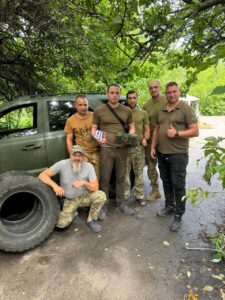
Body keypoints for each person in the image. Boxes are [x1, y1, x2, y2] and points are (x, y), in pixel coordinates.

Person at [150, 82, 199, 231]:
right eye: (169, 92)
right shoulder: (162, 110)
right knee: (166, 182)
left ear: (178, 91)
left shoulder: (184, 108)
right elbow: (157, 130)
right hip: (162, 153)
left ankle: (178, 215)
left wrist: (177, 133)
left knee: (178, 185)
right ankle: (169, 206)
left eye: (174, 91)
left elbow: (195, 131)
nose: (171, 94)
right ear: (165, 93)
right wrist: (153, 146)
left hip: (178, 155)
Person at [38, 145, 106, 233]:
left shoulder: (89, 166)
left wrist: (84, 182)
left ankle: (91, 219)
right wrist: (55, 186)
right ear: (70, 155)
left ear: (83, 157)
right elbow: (42, 175)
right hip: (70, 199)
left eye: (80, 156)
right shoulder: (62, 164)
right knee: (61, 224)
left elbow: (95, 187)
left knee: (101, 196)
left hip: (84, 196)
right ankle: (74, 213)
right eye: (75, 155)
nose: (77, 158)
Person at [91, 83, 135, 218]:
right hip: (106, 149)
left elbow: (132, 127)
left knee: (121, 177)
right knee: (105, 178)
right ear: (107, 93)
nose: (114, 95)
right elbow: (93, 129)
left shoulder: (127, 111)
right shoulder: (99, 110)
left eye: (117, 93)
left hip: (122, 149)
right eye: (112, 92)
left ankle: (120, 204)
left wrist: (131, 135)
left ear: (119, 94)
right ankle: (103, 206)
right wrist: (99, 138)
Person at [64, 95, 100, 180]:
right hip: (83, 154)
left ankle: (97, 193)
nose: (83, 107)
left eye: (85, 105)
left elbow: (101, 131)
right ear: (75, 105)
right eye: (80, 105)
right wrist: (72, 155)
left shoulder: (94, 116)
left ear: (88, 105)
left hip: (96, 153)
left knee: (96, 180)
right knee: (84, 179)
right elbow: (69, 140)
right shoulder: (70, 120)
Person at [124, 90, 150, 206]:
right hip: (124, 148)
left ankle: (139, 196)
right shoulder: (122, 112)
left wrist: (145, 138)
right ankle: (125, 197)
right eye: (130, 98)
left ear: (137, 99)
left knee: (138, 173)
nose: (132, 100)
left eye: (134, 98)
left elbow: (147, 129)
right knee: (124, 174)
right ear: (127, 99)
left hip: (138, 147)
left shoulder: (143, 113)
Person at [143, 80, 167, 201]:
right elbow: (144, 123)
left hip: (165, 140)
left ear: (160, 87)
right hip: (150, 140)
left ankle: (170, 192)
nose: (153, 89)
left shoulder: (167, 100)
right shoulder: (146, 105)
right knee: (151, 166)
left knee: (165, 167)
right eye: (151, 88)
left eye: (155, 87)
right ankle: (155, 190)